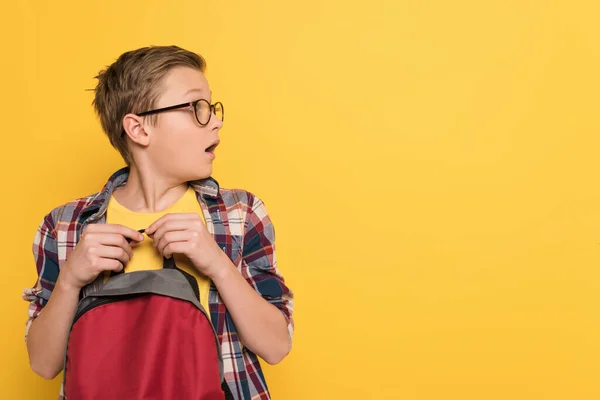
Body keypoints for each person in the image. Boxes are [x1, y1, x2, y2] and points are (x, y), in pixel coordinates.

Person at [22, 45, 294, 399]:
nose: (215, 120)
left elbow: (276, 346)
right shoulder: (67, 226)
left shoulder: (238, 215)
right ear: (138, 129)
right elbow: (43, 363)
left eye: (211, 107)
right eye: (195, 107)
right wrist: (70, 280)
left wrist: (219, 265)